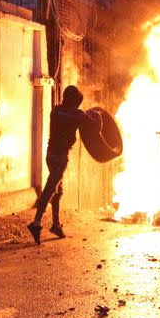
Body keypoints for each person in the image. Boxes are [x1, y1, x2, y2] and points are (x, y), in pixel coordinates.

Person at [27, 85, 98, 244]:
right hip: (59, 158)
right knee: (51, 189)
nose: (78, 106)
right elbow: (92, 123)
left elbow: (78, 118)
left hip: (51, 155)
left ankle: (56, 225)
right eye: (77, 102)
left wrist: (85, 115)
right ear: (72, 101)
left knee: (58, 191)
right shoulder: (70, 114)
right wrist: (89, 116)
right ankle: (36, 223)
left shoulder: (56, 110)